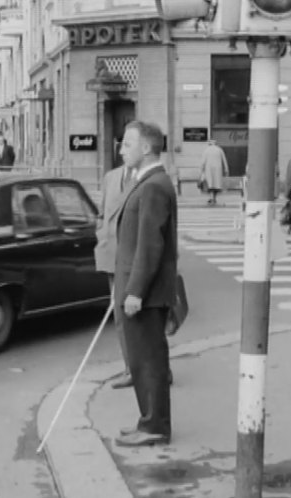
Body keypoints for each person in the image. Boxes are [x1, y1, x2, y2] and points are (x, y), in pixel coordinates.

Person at [112, 121, 177, 447]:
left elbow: (150, 245)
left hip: (146, 294)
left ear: (147, 148)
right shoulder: (147, 182)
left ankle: (154, 427)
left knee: (149, 360)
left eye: (127, 144)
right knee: (142, 359)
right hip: (140, 290)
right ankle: (147, 421)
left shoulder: (152, 186)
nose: (121, 149)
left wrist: (135, 291)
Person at [95, 162, 137, 389]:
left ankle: (157, 369)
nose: (123, 151)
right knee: (120, 316)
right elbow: (102, 213)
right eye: (122, 145)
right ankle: (130, 368)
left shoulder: (148, 179)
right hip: (113, 256)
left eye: (129, 145)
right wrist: (101, 234)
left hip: (136, 259)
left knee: (145, 319)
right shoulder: (111, 177)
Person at [200, 139, 229, 205]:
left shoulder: (206, 150)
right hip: (218, 169)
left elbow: (203, 162)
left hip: (209, 169)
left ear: (209, 143)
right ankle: (214, 198)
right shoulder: (219, 149)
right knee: (216, 185)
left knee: (210, 185)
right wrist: (226, 169)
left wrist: (201, 170)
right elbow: (224, 160)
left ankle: (212, 198)